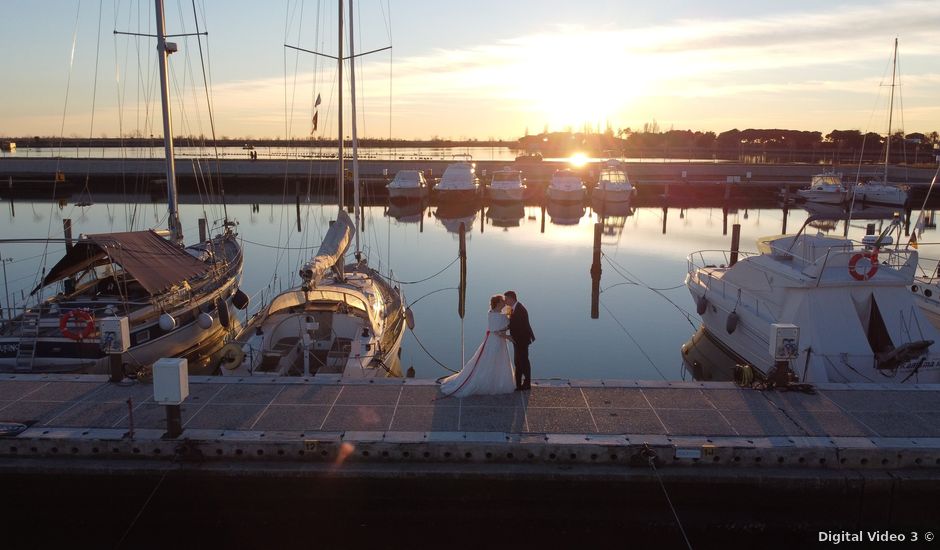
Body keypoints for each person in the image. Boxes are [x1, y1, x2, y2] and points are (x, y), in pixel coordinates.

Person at [439, 294, 516, 398]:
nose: (505, 303)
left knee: (489, 361)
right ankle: (494, 382)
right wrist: (508, 333)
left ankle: (492, 380)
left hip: (491, 341)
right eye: (503, 301)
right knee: (495, 361)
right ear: (498, 303)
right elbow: (502, 328)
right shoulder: (500, 316)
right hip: (496, 342)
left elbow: (496, 328)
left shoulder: (492, 313)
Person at [504, 290, 535, 390]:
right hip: (518, 339)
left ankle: (525, 383)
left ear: (511, 298)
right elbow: (513, 324)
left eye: (506, 299)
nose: (505, 301)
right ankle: (519, 384)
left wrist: (505, 332)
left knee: (523, 361)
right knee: (519, 361)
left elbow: (519, 326)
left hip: (522, 340)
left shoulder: (520, 309)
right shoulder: (514, 308)